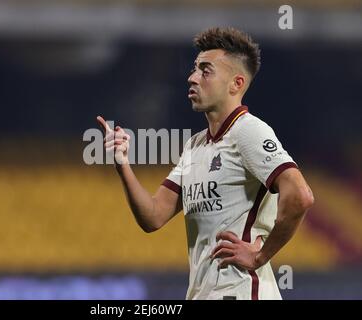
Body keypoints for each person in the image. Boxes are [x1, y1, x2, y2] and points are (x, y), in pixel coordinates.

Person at [96, 27, 314, 300]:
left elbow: (300, 195)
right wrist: (123, 164)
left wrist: (259, 255)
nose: (192, 78)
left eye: (205, 71)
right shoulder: (195, 146)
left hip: (241, 293)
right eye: (194, 69)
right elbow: (153, 216)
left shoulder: (248, 131)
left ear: (236, 83)